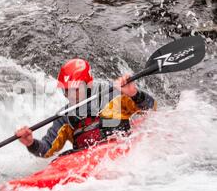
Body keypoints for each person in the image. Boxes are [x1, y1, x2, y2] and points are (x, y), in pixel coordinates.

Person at [16, 59, 157, 158]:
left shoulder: (114, 95)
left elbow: (152, 109)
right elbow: (47, 150)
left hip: (119, 149)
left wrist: (134, 94)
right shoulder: (65, 116)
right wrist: (31, 143)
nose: (68, 95)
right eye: (65, 90)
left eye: (74, 89)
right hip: (84, 159)